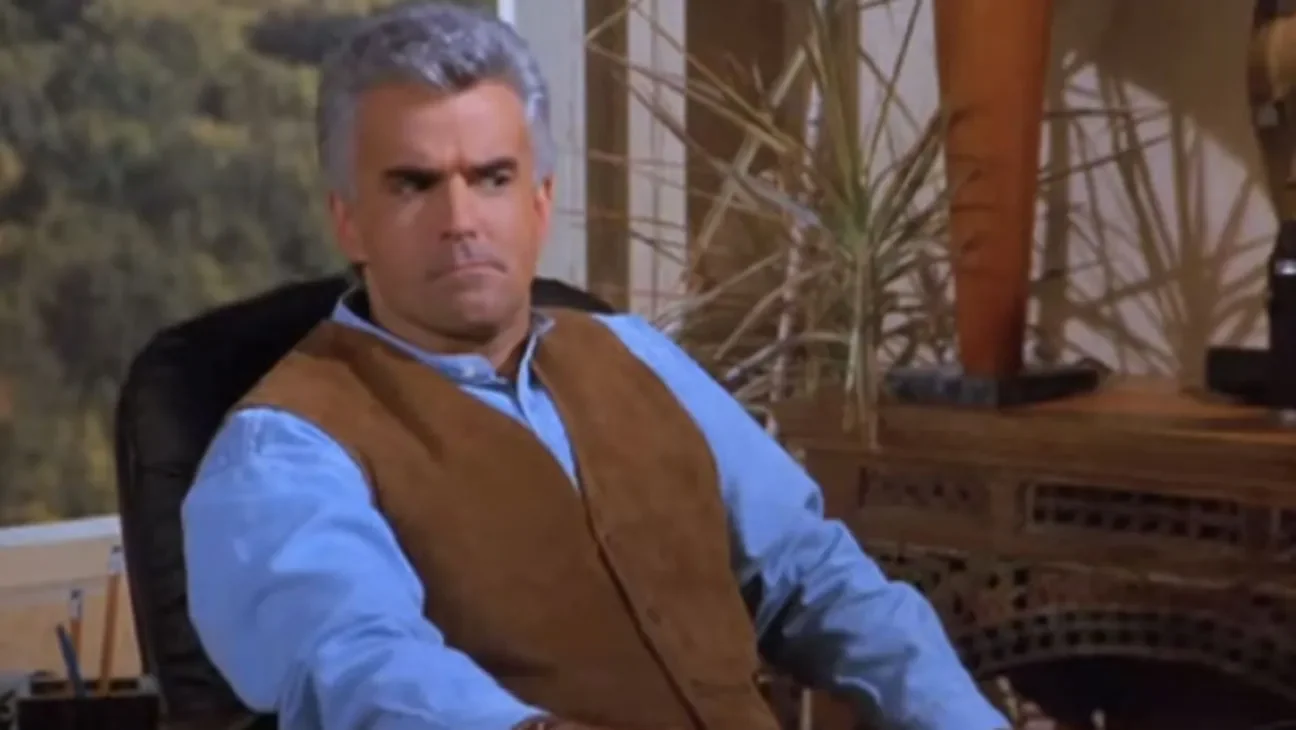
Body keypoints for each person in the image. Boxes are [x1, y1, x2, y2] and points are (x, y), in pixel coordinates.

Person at [181, 3, 1010, 730]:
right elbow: (358, 667)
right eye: (414, 185)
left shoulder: (634, 352)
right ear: (349, 222)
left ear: (540, 203)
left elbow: (815, 577)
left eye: (492, 178)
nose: (460, 220)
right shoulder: (283, 447)